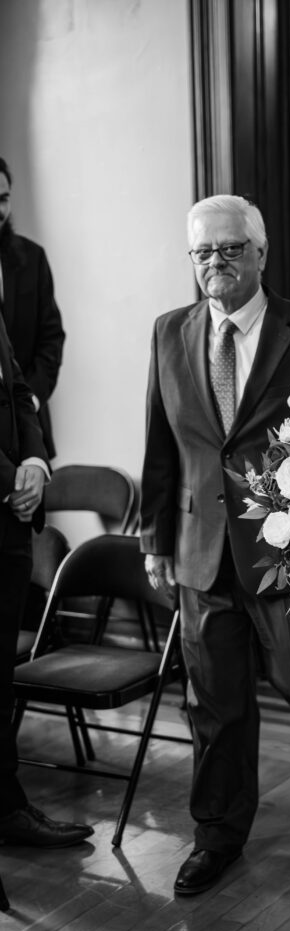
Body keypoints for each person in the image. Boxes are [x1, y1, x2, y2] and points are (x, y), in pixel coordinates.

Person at [140, 194, 290, 898]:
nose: (215, 262)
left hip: (287, 552)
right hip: (200, 549)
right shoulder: (169, 330)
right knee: (214, 706)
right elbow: (161, 443)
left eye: (229, 248)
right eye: (202, 252)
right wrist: (156, 540)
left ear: (260, 252)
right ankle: (216, 835)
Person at [0, 313, 93, 848]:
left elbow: (17, 390)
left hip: (11, 523)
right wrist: (8, 480)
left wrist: (35, 461)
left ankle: (6, 807)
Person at [0, 158, 65, 459]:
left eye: (3, 199)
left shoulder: (32, 257)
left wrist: (30, 402)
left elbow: (51, 340)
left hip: (30, 435)